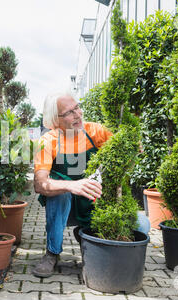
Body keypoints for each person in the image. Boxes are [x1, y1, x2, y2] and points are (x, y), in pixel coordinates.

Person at [32, 92, 150, 278]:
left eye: (77, 107)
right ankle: (52, 253)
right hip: (66, 207)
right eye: (69, 112)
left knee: (143, 224)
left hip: (94, 202)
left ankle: (87, 234)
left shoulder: (95, 131)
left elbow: (121, 161)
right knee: (58, 195)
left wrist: (131, 149)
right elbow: (40, 184)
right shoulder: (48, 141)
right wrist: (72, 186)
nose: (78, 114)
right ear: (56, 120)